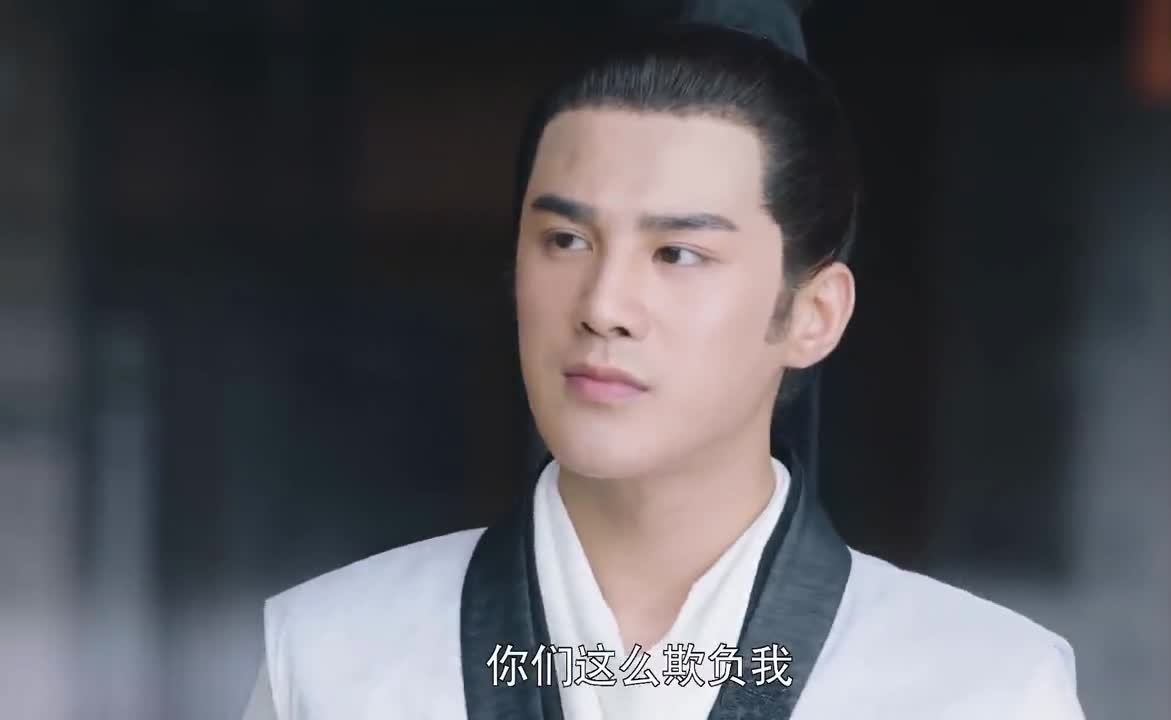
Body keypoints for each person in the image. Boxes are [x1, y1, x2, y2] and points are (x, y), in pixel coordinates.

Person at [241, 8, 1087, 720]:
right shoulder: (331, 659)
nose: (603, 304)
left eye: (678, 253)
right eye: (565, 240)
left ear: (814, 314)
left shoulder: (983, 688)